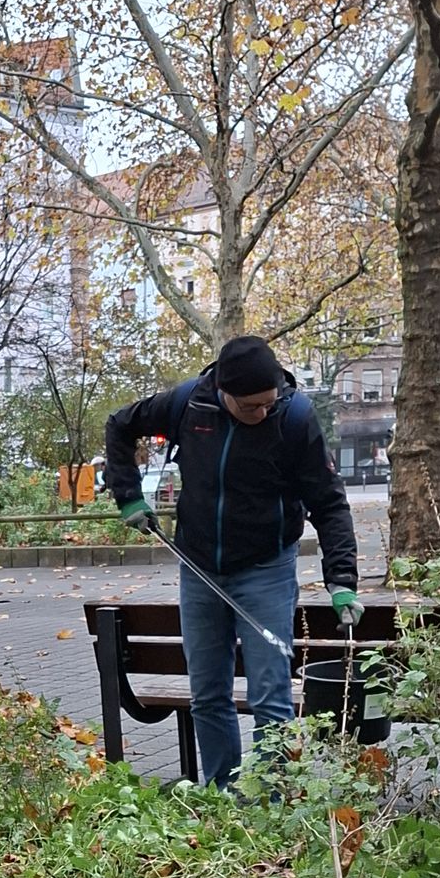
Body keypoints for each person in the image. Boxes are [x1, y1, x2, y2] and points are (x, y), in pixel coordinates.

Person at [102, 334, 361, 788]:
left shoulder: (294, 419)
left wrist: (341, 579)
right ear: (224, 392)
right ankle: (224, 793)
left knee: (270, 697)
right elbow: (120, 425)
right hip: (200, 568)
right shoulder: (188, 403)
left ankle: (269, 804)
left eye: (269, 402)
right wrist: (128, 496)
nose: (262, 413)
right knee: (207, 694)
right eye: (251, 407)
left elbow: (330, 503)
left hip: (266, 569)